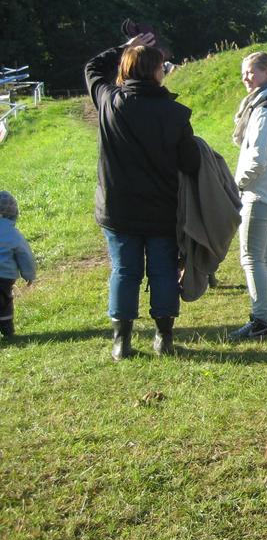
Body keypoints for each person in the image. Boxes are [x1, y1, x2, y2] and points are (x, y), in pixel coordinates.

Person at [85, 33, 200, 360]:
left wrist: (123, 47)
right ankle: (164, 338)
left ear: (124, 68)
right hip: (162, 209)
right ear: (157, 72)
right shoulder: (175, 114)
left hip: (118, 210)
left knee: (124, 270)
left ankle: (121, 342)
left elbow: (92, 68)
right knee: (163, 271)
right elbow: (190, 163)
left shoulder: (109, 102)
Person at [229, 52, 267, 340]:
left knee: (252, 257)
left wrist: (236, 184)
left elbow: (258, 157)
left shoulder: (264, 108)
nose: (245, 77)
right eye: (243, 72)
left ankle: (260, 319)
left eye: (250, 71)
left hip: (258, 192)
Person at [0, 190, 36, 338]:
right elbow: (24, 255)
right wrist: (29, 275)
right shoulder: (13, 233)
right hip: (4, 278)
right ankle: (8, 331)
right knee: (5, 303)